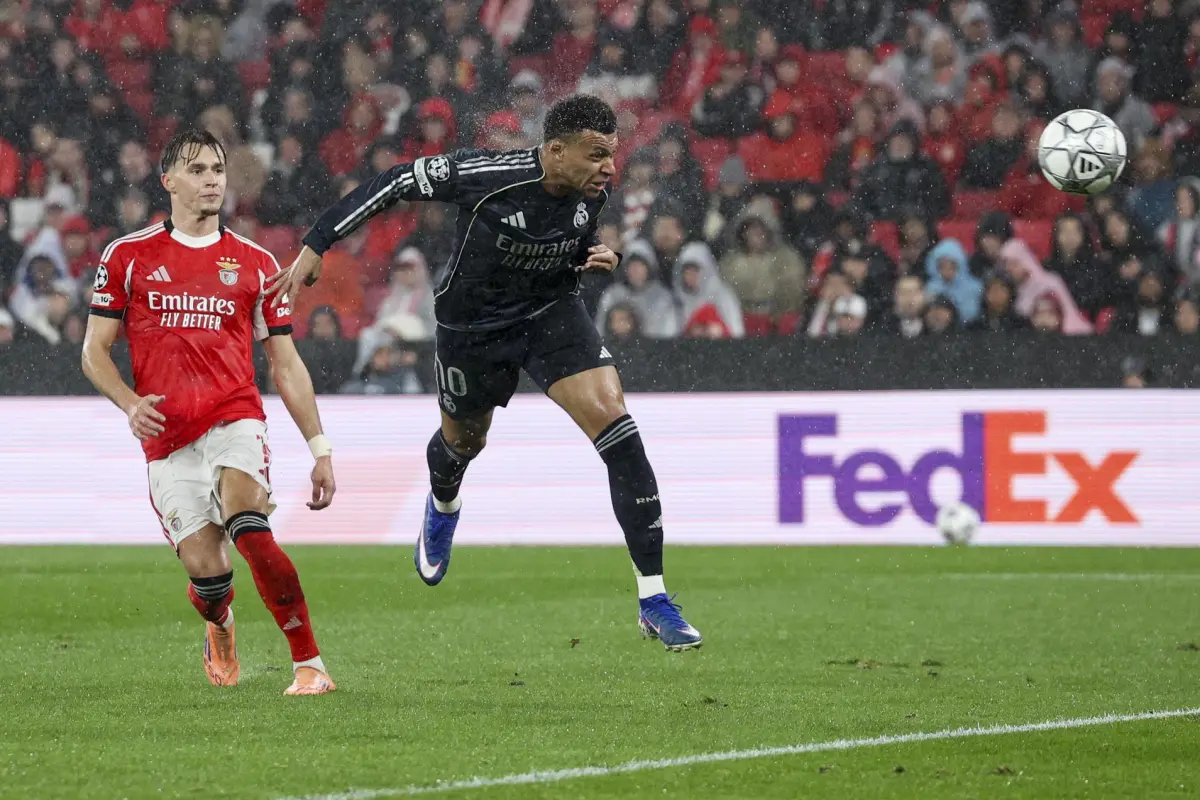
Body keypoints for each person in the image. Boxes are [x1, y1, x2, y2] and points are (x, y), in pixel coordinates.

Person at [270, 95, 702, 651]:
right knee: (464, 442)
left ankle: (654, 599)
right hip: (473, 330)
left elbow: (574, 237)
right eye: (597, 155)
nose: (609, 168)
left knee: (621, 434)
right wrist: (318, 241)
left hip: (551, 315)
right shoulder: (488, 175)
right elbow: (398, 180)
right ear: (554, 150)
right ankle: (443, 503)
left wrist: (600, 254)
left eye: (612, 156)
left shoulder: (593, 187)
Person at [80, 130, 337, 695]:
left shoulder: (255, 263)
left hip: (235, 417)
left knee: (249, 522)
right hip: (168, 437)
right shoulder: (127, 257)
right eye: (197, 170)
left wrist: (321, 450)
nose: (212, 179)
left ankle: (309, 664)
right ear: (168, 181)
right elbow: (93, 352)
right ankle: (220, 622)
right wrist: (129, 404)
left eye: (217, 169)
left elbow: (286, 365)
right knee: (209, 572)